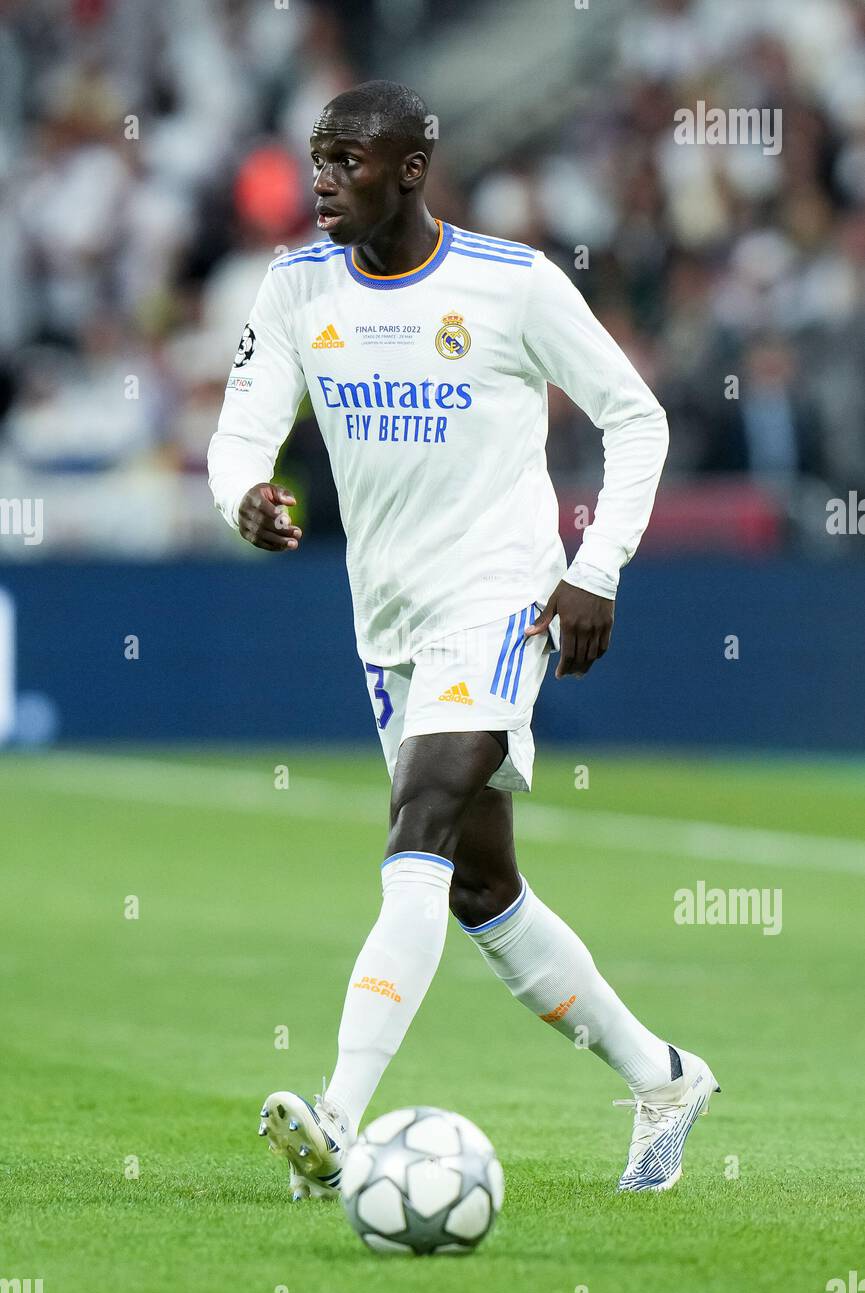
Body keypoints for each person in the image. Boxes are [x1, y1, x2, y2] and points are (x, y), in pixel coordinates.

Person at [207, 80, 719, 1198]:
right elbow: (241, 429)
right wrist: (246, 492)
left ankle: (337, 1116)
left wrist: (594, 568)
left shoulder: (511, 283)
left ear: (409, 168)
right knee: (479, 887)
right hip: (387, 617)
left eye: (348, 157)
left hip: (500, 598)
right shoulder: (296, 287)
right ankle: (664, 1075)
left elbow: (636, 415)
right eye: (317, 156)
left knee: (421, 814)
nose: (323, 176)